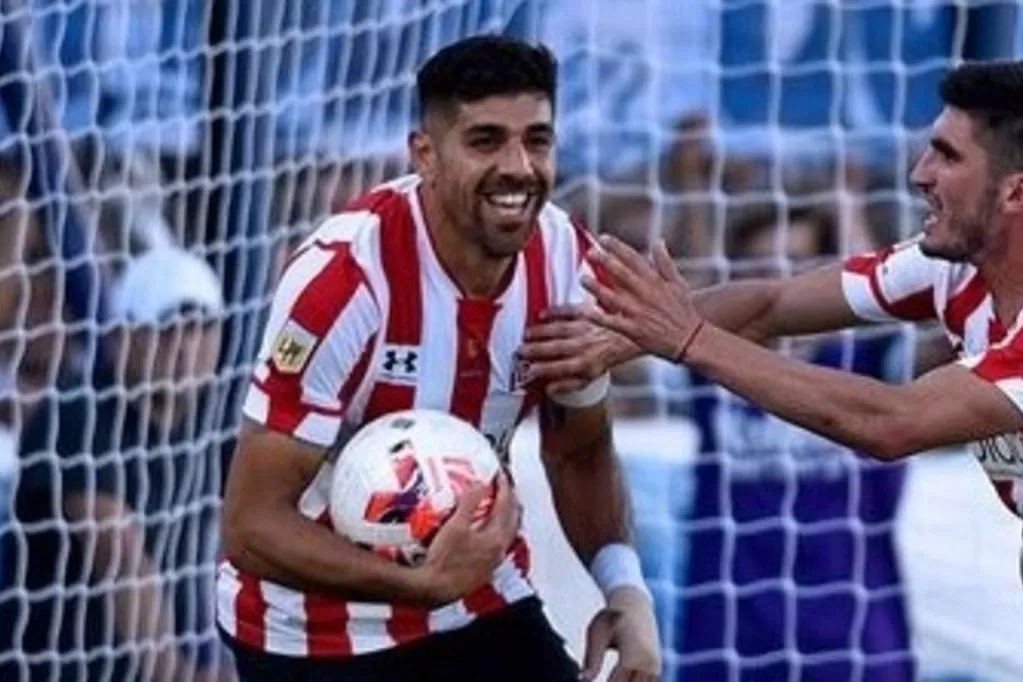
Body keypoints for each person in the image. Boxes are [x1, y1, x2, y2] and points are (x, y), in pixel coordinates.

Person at [217, 35, 660, 682]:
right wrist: (421, 582)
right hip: (312, 635)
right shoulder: (344, 283)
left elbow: (578, 450)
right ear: (424, 154)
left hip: (478, 602)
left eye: (536, 140)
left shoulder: (564, 260)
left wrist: (624, 589)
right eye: (484, 141)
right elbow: (251, 526)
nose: (518, 167)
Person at [519, 60, 1023, 561]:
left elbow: (894, 423)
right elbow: (771, 305)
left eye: (947, 157)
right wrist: (617, 339)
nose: (919, 174)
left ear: (1015, 191)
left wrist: (691, 339)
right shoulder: (951, 268)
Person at [671, 201, 914, 681]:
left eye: (797, 264)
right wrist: (692, 184)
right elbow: (685, 307)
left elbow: (885, 293)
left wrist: (850, 200)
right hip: (732, 628)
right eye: (762, 268)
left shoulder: (862, 366)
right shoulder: (714, 369)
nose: (779, 280)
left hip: (853, 632)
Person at [10, 246, 226, 682]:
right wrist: (175, 674)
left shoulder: (213, 421)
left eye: (200, 326)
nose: (184, 347)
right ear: (121, 337)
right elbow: (117, 551)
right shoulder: (76, 412)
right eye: (165, 329)